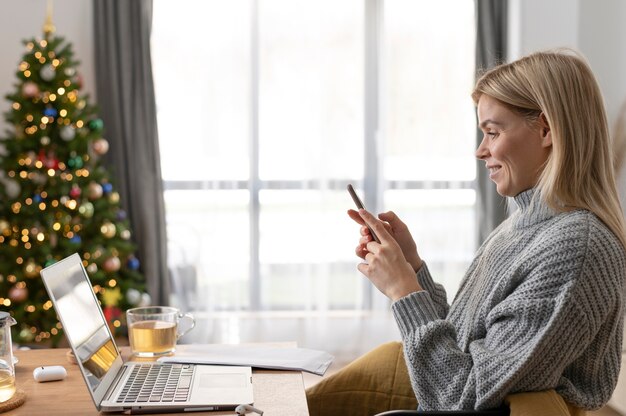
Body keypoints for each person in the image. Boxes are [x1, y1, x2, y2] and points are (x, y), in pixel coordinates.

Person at [307, 49, 626, 414]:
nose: (480, 150)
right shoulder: (523, 227)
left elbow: (462, 398)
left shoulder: (575, 248)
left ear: (546, 129)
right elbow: (460, 351)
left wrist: (403, 291)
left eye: (492, 132)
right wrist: (413, 270)